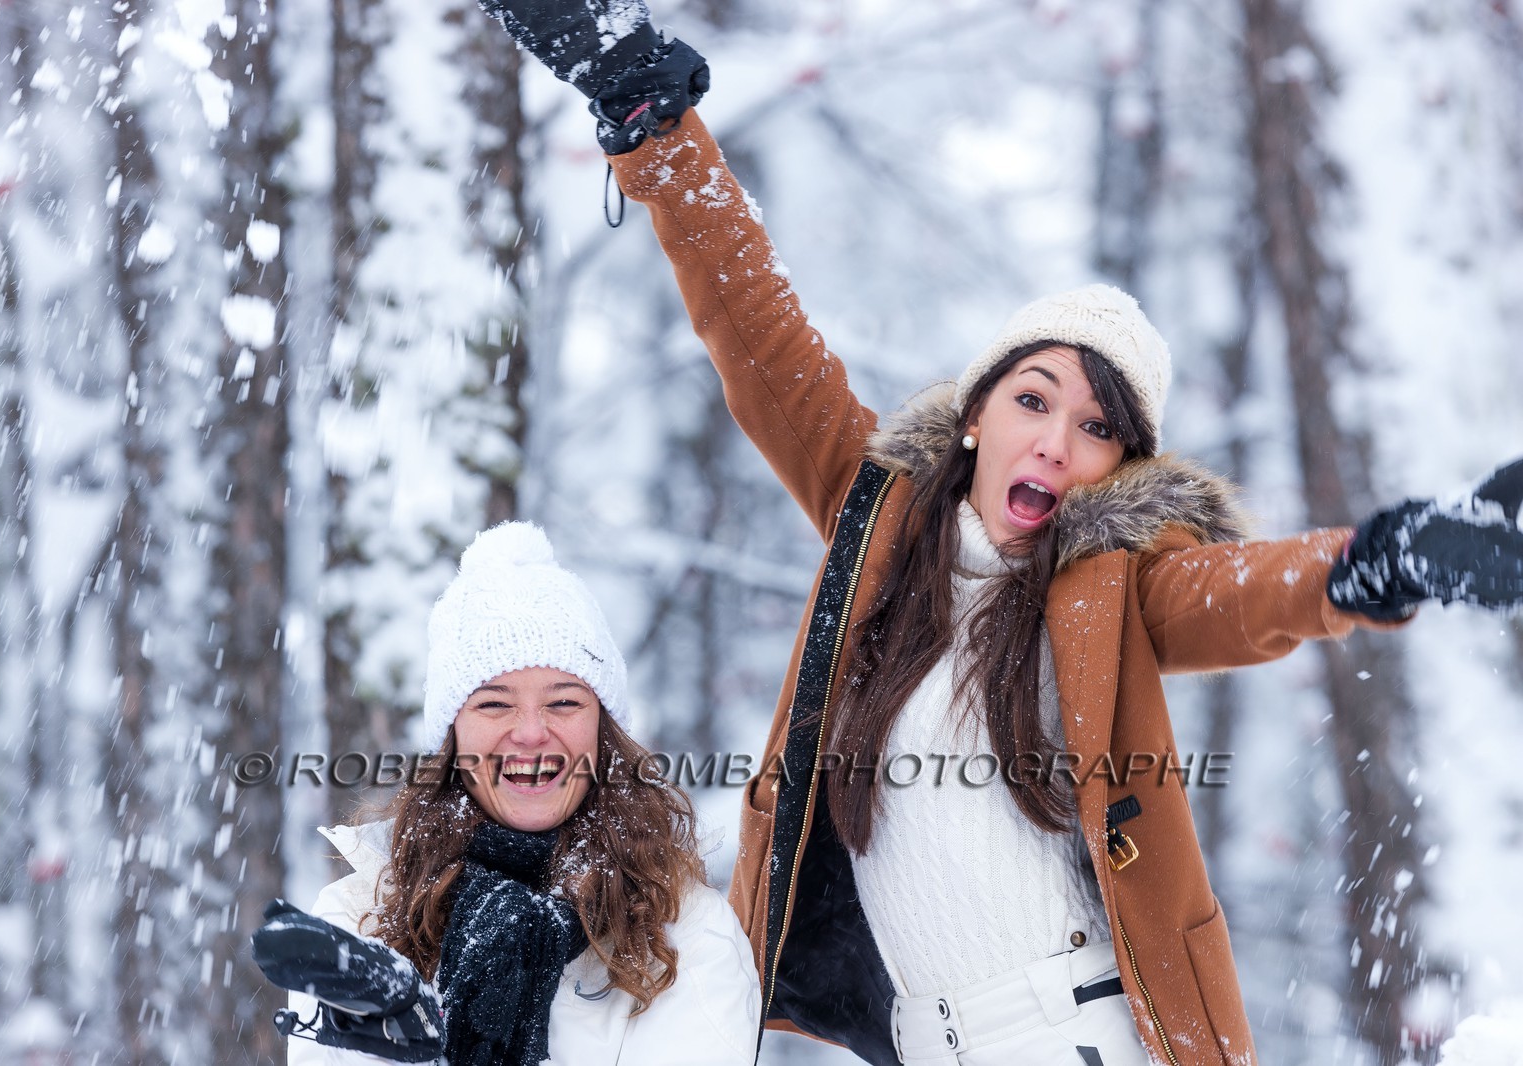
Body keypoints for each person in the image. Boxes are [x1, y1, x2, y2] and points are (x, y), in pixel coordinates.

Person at [472, 3, 1523, 1065]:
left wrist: (1375, 562)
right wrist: (654, 125)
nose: (1057, 442)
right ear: (975, 414)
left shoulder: (1110, 587)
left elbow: (1237, 593)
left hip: (1088, 1033)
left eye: (1098, 427)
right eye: (1034, 399)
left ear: (1123, 466)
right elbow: (755, 332)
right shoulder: (874, 523)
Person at [257, 522, 761, 1065]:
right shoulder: (361, 921)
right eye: (494, 704)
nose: (529, 732)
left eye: (563, 703)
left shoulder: (685, 938)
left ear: (603, 732)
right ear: (452, 738)